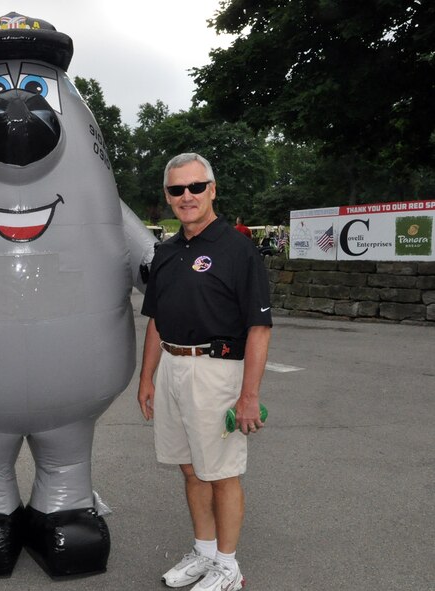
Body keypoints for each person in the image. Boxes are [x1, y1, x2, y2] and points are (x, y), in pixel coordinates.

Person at [137, 153, 272, 591]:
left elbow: (259, 327)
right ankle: (205, 551)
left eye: (196, 187)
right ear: (168, 197)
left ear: (213, 189)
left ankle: (229, 567)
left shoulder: (237, 249)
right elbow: (156, 318)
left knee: (222, 472)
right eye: (177, 190)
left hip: (217, 371)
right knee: (191, 469)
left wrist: (249, 395)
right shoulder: (167, 251)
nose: (187, 196)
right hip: (172, 367)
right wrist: (146, 378)